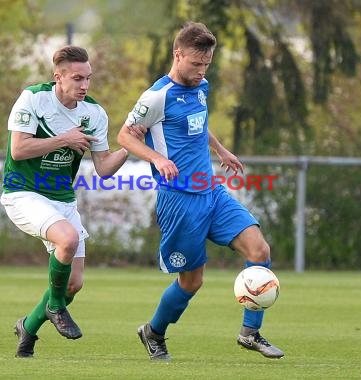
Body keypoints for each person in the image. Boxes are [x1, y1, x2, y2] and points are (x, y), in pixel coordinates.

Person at [117, 21, 284, 360]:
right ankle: (154, 332)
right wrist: (156, 158)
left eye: (206, 64)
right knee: (192, 282)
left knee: (259, 250)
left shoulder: (201, 86)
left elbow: (199, 124)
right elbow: (124, 136)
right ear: (178, 55)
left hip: (211, 191)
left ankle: (250, 332)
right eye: (195, 63)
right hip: (178, 201)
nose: (201, 70)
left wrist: (221, 150)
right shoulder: (155, 97)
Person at [0, 45, 140, 358]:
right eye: (77, 78)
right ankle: (53, 307)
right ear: (58, 77)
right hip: (22, 193)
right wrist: (65, 139)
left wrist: (131, 146)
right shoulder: (33, 99)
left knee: (74, 284)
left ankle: (28, 328)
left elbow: (103, 169)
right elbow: (19, 149)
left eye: (88, 78)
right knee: (68, 239)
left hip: (62, 200)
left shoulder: (94, 113)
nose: (84, 85)